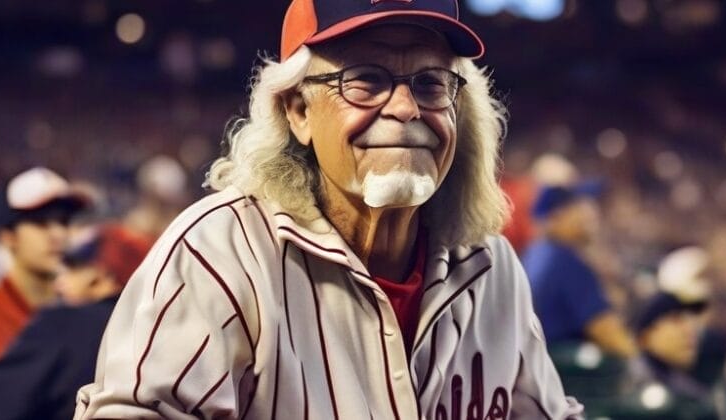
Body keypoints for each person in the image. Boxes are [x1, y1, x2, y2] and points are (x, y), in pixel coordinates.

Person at [75, 1, 583, 418]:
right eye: (365, 80)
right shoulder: (218, 253)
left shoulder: (492, 267)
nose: (406, 109)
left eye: (430, 84)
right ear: (298, 112)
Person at [0, 223, 153, 420]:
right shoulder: (156, 332)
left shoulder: (66, 322)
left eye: (74, 268)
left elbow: (1, 403)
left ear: (103, 276)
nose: (60, 281)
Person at [522, 183, 638, 358]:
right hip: (565, 375)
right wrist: (641, 362)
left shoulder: (535, 253)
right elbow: (607, 332)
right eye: (578, 206)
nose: (589, 214)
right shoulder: (564, 261)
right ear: (557, 215)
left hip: (536, 365)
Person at [0, 167, 88, 360]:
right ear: (8, 237)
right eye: (40, 222)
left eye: (64, 221)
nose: (58, 235)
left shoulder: (83, 311)